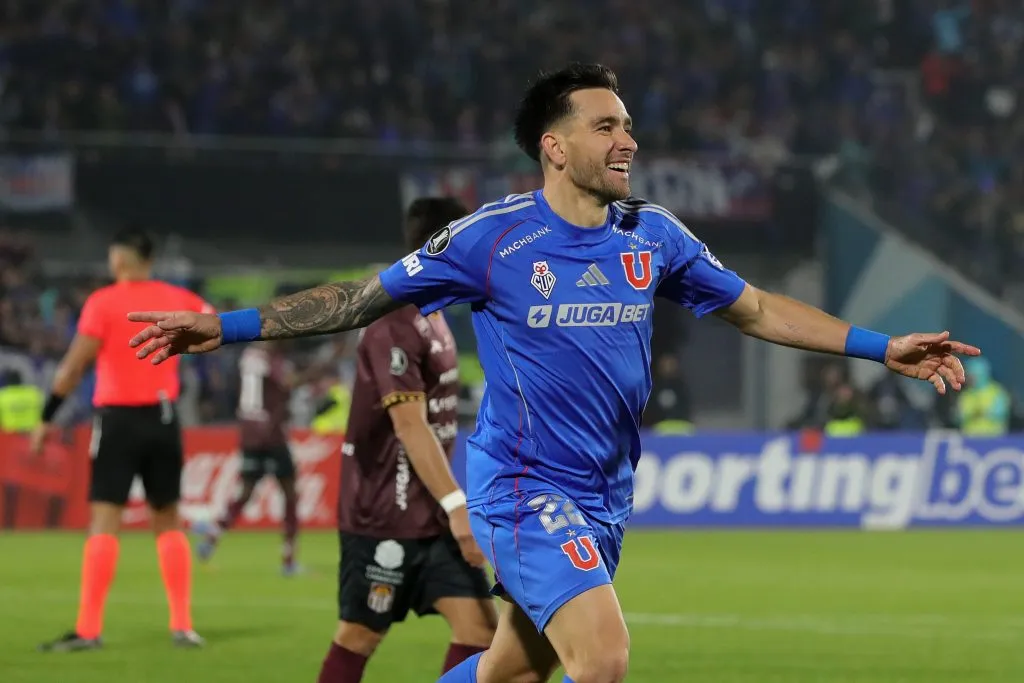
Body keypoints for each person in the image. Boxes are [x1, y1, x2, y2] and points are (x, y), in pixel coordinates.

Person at [126, 63, 981, 683]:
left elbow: (754, 308)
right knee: (602, 658)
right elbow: (358, 296)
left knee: (513, 670)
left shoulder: (654, 235)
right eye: (606, 125)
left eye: (628, 125)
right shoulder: (490, 239)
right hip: (523, 485)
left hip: (607, 490)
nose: (628, 141)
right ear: (553, 144)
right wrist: (225, 325)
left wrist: (880, 346)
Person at [318, 197, 497, 683]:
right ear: (445, 244)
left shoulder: (435, 313)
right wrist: (458, 504)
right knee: (359, 635)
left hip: (430, 513)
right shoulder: (392, 319)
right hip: (382, 514)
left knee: (482, 629)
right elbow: (411, 425)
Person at [35, 226, 211, 652]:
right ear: (150, 259)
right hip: (163, 415)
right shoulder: (179, 298)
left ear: (117, 259)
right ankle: (183, 626)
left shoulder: (103, 302)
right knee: (167, 519)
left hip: (116, 421)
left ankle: (89, 630)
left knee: (105, 519)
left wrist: (47, 418)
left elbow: (73, 366)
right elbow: (212, 327)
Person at [195, 340, 302, 575]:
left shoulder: (248, 357)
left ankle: (213, 533)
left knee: (245, 492)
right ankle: (288, 559)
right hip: (272, 434)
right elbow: (285, 385)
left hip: (249, 433)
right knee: (290, 493)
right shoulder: (272, 360)